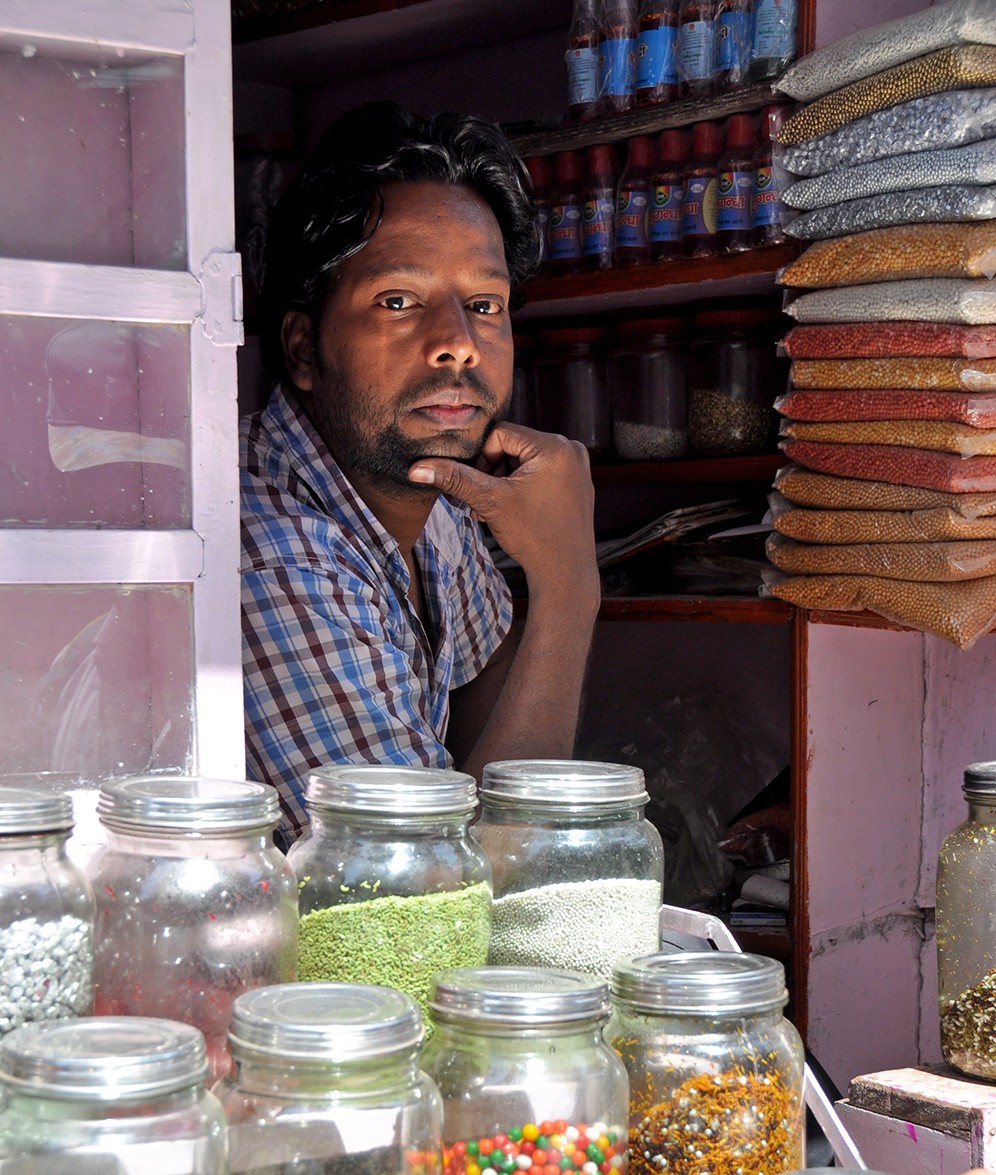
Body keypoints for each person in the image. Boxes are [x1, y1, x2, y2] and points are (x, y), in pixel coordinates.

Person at [240, 101, 600, 842]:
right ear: (305, 349)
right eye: (398, 301)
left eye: (483, 304)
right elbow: (433, 892)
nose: (458, 345)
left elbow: (489, 713)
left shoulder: (430, 496)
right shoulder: (270, 550)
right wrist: (567, 585)